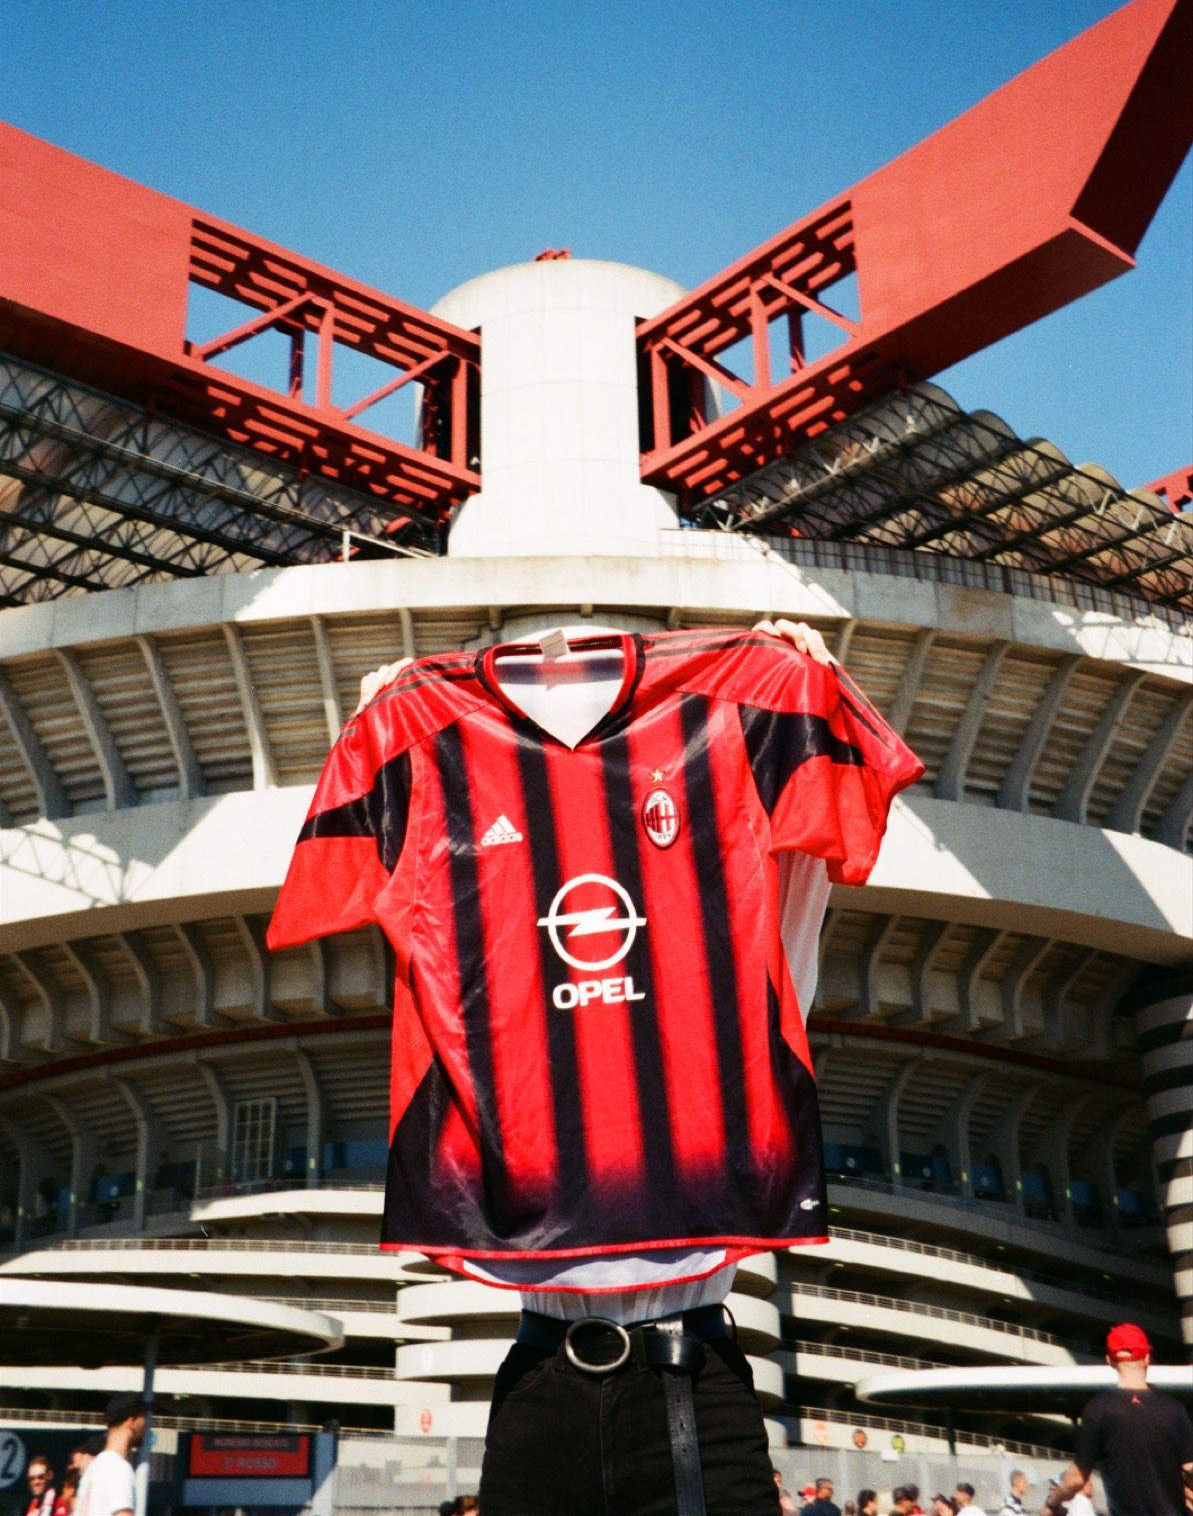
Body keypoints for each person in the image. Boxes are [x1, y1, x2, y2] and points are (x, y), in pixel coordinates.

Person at [272, 618, 920, 1516]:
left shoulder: (739, 732)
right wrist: (379, 728)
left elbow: (825, 834)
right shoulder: (423, 743)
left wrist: (805, 686)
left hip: (693, 1378)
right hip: (540, 1380)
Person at [1044, 1322, 1193, 1516]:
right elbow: (1190, 1468)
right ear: (1146, 1358)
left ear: (1110, 1361)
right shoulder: (1174, 1409)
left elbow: (1076, 1478)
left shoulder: (1098, 1409)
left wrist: (1052, 1502)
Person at [76, 1394, 147, 1516]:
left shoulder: (93, 1468)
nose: (146, 1425)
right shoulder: (118, 1467)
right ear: (131, 1422)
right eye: (144, 1417)